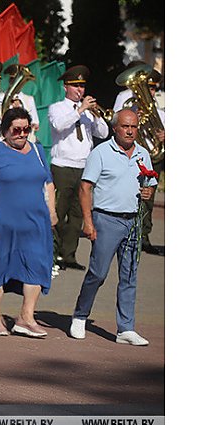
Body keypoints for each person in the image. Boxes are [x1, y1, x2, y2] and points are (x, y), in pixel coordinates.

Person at [0, 108, 57, 338]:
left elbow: (48, 184)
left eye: (26, 129)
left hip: (35, 223)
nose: (22, 134)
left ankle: (26, 317)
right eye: (17, 129)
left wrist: (52, 212)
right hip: (2, 224)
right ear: (5, 130)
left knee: (38, 266)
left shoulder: (37, 151)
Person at [70, 110, 155, 346]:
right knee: (98, 272)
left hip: (133, 221)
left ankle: (125, 328)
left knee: (129, 275)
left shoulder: (143, 154)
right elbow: (85, 188)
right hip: (107, 219)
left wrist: (149, 192)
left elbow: (149, 185)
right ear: (115, 128)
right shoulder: (101, 153)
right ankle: (80, 315)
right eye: (125, 126)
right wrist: (88, 221)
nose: (130, 131)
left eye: (134, 127)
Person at [48, 65, 109, 271]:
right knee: (58, 210)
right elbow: (59, 126)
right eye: (75, 85)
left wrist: (96, 115)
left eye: (82, 86)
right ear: (66, 87)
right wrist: (80, 110)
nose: (80, 90)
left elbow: (103, 133)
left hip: (84, 166)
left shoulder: (88, 113)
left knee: (77, 213)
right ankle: (53, 253)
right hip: (62, 166)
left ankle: (69, 255)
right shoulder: (57, 107)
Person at [112, 66, 165, 256]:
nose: (149, 93)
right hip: (131, 156)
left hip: (152, 159)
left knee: (148, 199)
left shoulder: (161, 114)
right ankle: (124, 234)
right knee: (127, 194)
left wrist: (164, 136)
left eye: (152, 89)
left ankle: (145, 236)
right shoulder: (130, 110)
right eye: (147, 88)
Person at [3, 64, 40, 137]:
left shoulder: (29, 99)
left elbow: (36, 122)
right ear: (10, 80)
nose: (15, 82)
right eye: (13, 79)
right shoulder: (1, 98)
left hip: (26, 137)